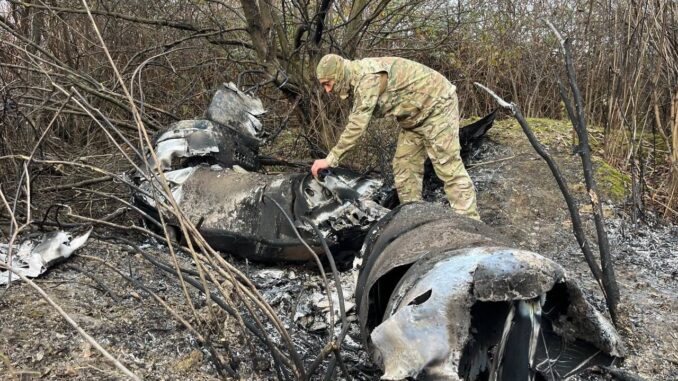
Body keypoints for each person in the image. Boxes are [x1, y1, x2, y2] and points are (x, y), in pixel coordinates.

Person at [311, 54, 480, 220]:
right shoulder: (357, 77)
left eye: (328, 83)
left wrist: (330, 159)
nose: (328, 89)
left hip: (438, 105)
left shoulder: (367, 78)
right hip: (414, 118)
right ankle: (414, 219)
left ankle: (470, 224)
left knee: (447, 165)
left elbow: (357, 125)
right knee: (404, 166)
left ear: (338, 75)